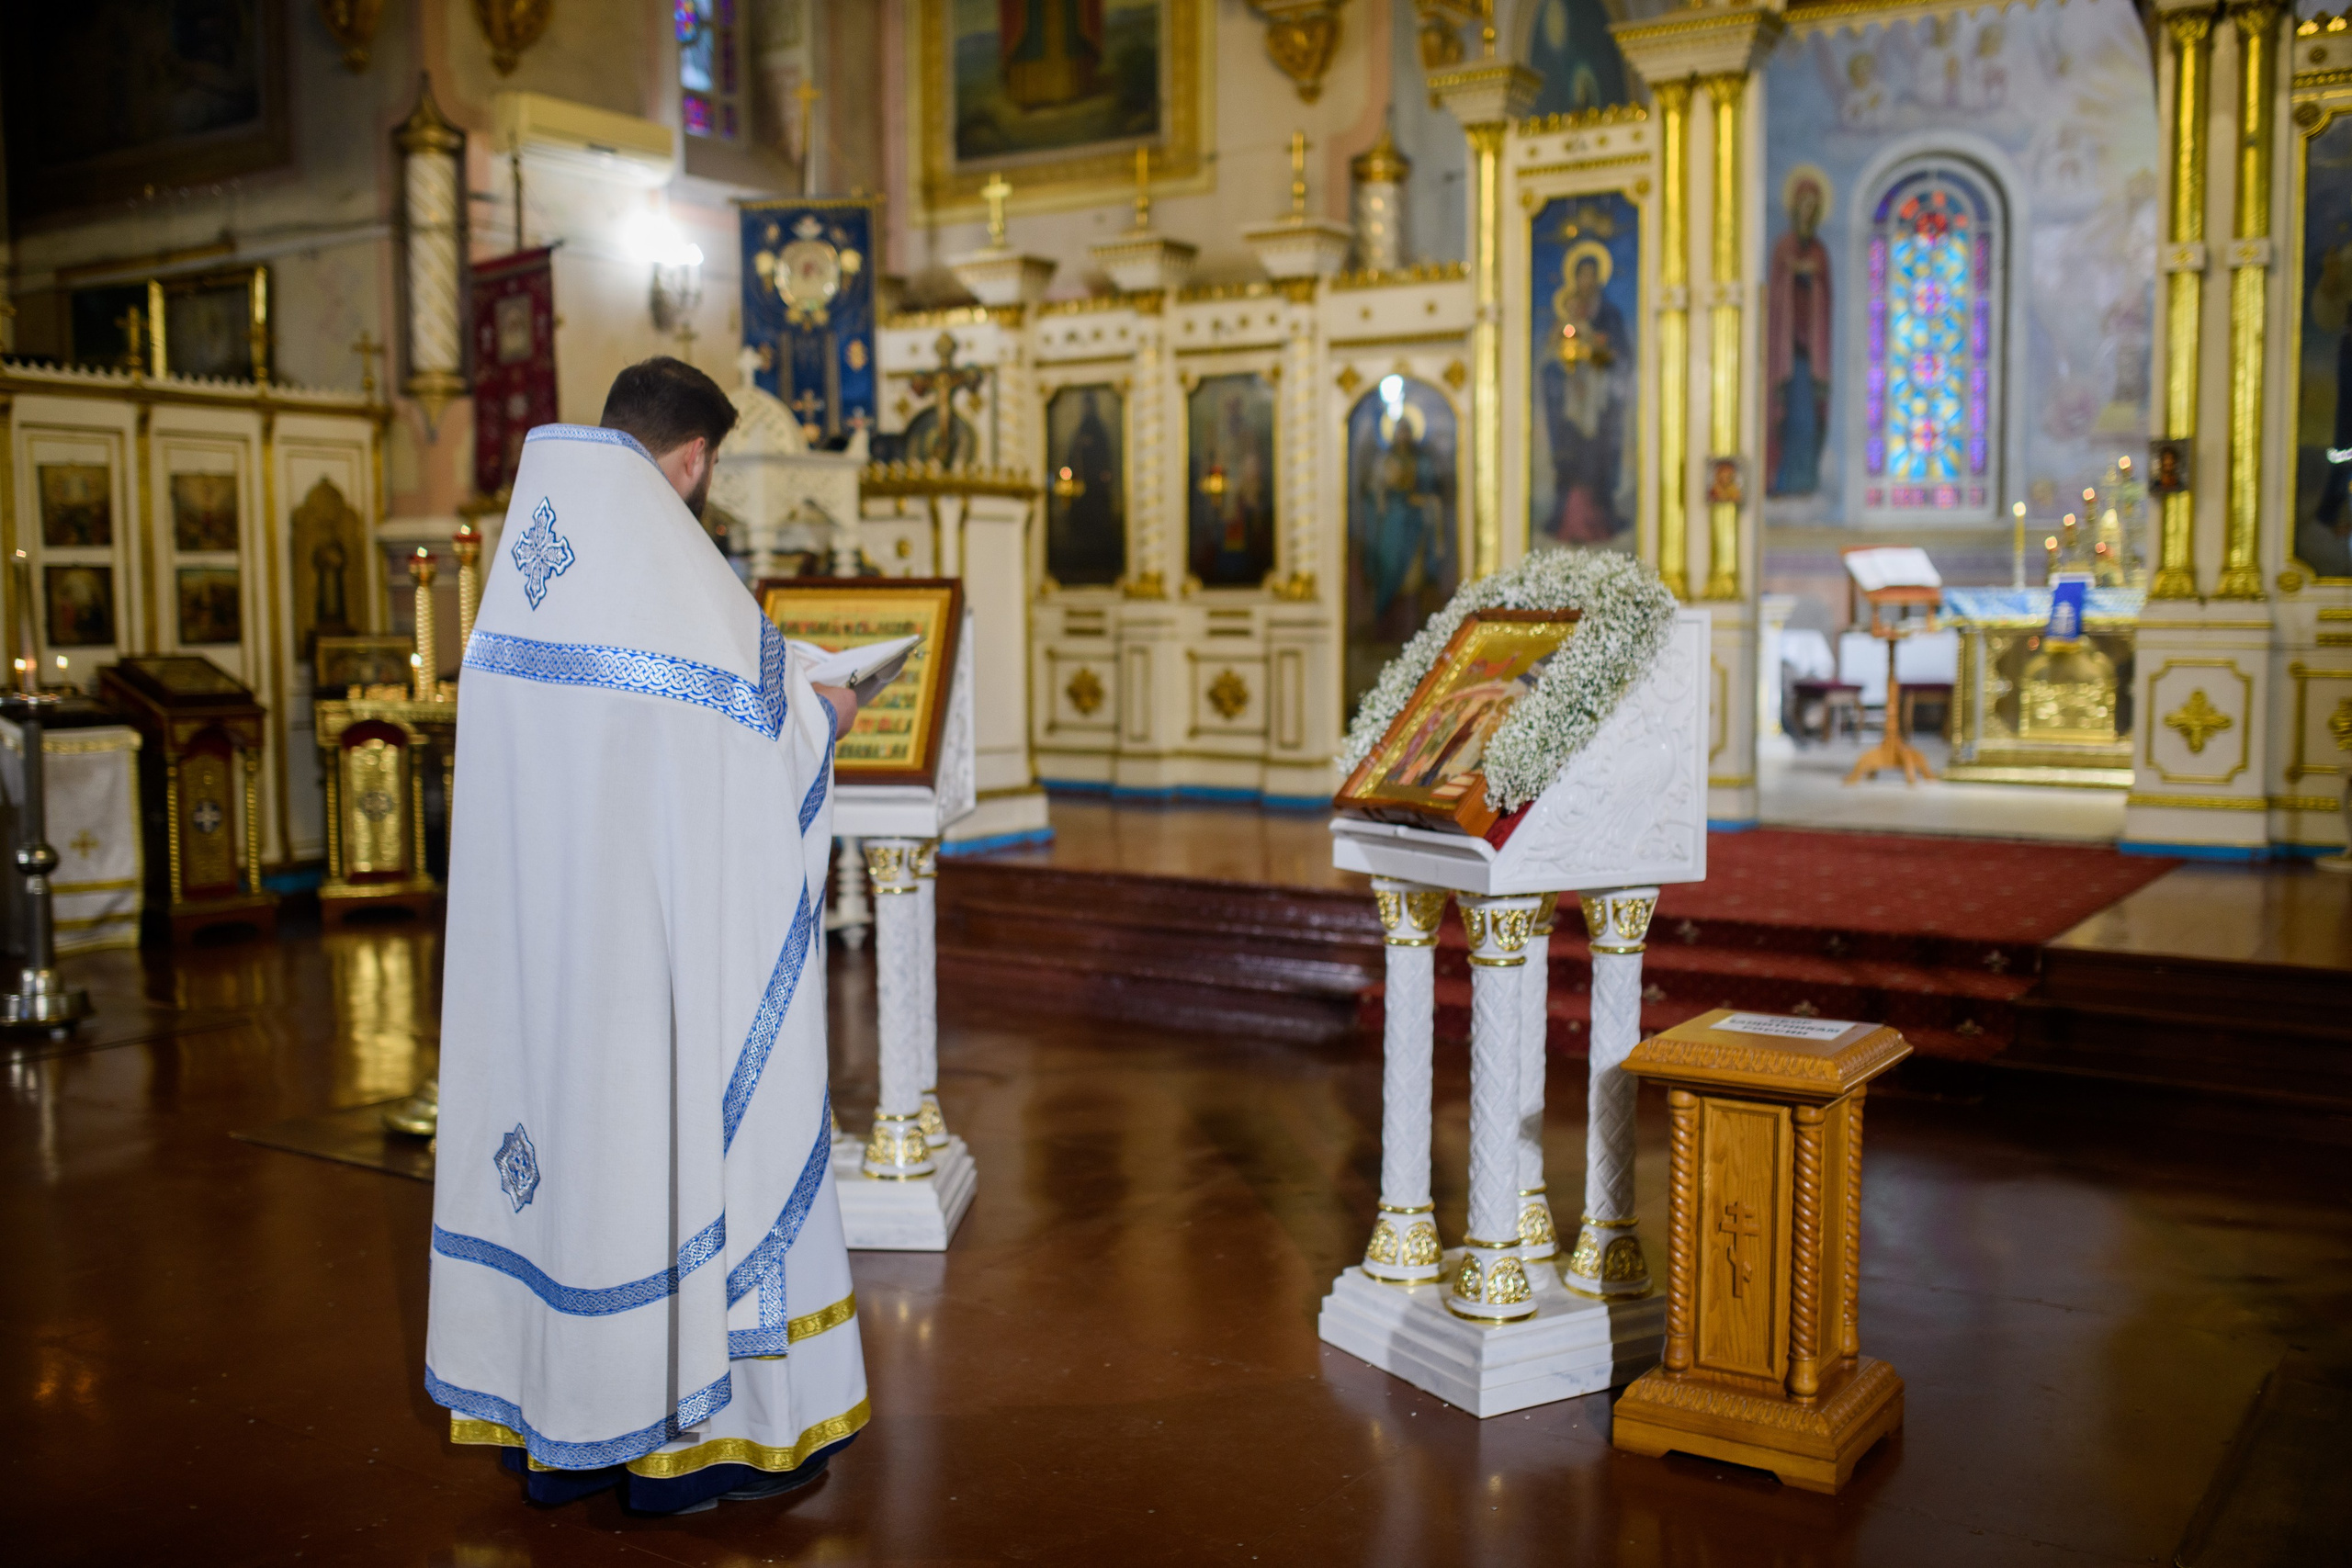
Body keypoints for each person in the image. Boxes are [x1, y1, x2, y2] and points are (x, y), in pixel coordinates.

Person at [424, 357, 868, 1515]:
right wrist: (825, 718)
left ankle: (552, 1430)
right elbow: (751, 749)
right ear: (693, 459)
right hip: (651, 976)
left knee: (567, 1175)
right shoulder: (672, 575)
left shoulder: (527, 577)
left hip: (538, 969)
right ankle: (684, 1450)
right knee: (662, 1163)